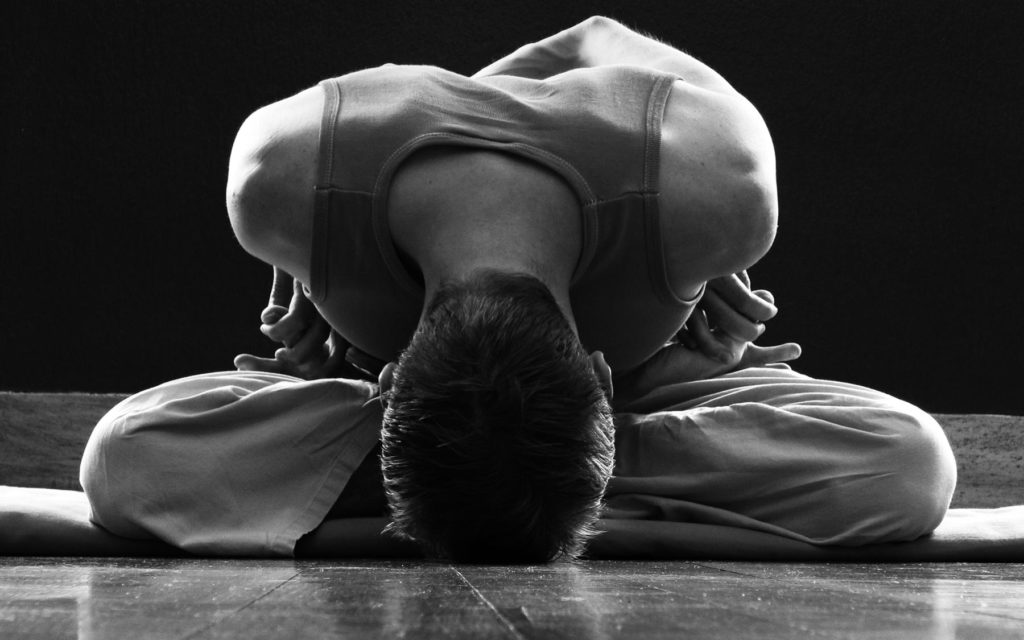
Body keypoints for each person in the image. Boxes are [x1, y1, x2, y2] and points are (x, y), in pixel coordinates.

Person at [80, 16, 956, 562]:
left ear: (375, 387)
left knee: (912, 466)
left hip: (578, 295)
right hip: (628, 395)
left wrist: (547, 67)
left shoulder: (708, 191)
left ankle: (482, 491)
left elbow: (594, 34)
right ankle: (528, 483)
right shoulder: (285, 186)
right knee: (123, 461)